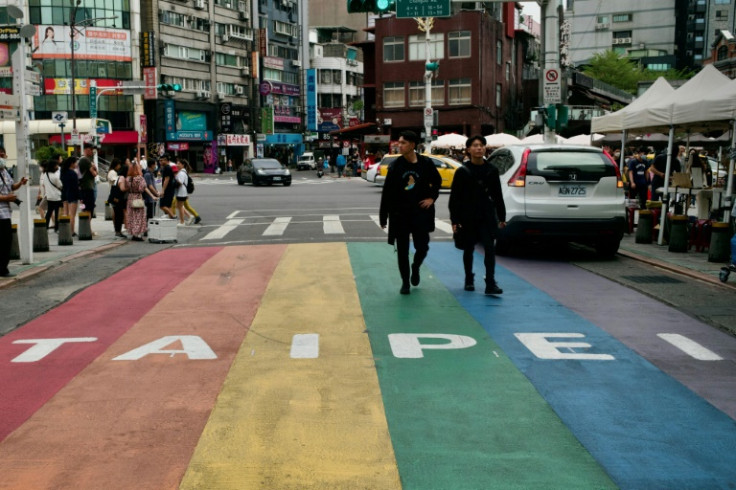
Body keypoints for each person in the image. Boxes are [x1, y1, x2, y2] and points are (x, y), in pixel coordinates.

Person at [379, 130, 442, 295]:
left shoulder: (426, 163)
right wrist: (383, 216)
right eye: (399, 142)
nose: (399, 145)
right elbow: (387, 192)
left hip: (420, 213)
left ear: (412, 145)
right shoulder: (395, 166)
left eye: (403, 143)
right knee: (402, 250)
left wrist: (432, 198)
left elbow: (437, 181)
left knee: (422, 247)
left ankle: (415, 267)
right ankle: (405, 282)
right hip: (400, 215)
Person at [448, 135, 506, 295]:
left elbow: (497, 195)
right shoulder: (462, 172)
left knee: (489, 248)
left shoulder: (492, 170)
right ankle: (469, 279)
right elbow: (455, 198)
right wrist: (454, 220)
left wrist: (502, 217)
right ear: (468, 150)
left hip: (487, 216)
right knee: (468, 249)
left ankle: (490, 282)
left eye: (481, 145)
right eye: (475, 145)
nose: (479, 148)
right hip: (467, 216)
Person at [0, 146, 28, 277]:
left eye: (3, 155)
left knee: (6, 241)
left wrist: (20, 183)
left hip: (5, 213)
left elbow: (11, 186)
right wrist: (7, 198)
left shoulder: (4, 171)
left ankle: (3, 268)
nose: (2, 158)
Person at [120, 162, 147, 241]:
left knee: (131, 216)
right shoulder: (140, 178)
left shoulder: (128, 178)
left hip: (130, 197)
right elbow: (142, 188)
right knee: (139, 216)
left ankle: (132, 233)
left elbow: (126, 187)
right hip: (138, 197)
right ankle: (138, 234)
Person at [173, 158, 201, 224]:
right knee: (179, 206)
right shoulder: (182, 172)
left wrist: (173, 182)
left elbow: (180, 182)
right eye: (177, 163)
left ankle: (182, 221)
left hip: (181, 193)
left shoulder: (182, 173)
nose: (177, 165)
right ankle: (190, 217)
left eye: (179, 163)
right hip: (182, 193)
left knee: (180, 207)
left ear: (183, 165)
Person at [77, 145, 98, 230]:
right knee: (90, 209)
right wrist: (94, 169)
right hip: (88, 188)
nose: (91, 152)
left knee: (84, 208)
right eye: (90, 150)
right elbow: (94, 174)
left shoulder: (81, 160)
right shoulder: (86, 160)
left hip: (82, 188)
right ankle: (87, 228)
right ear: (85, 150)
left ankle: (84, 228)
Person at [60, 156, 80, 237]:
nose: (76, 164)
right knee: (72, 214)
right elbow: (76, 186)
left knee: (66, 213)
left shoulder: (63, 172)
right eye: (75, 163)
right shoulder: (73, 173)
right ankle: (71, 231)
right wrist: (80, 196)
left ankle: (65, 230)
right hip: (72, 195)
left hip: (64, 194)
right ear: (72, 164)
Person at [42, 158, 63, 231]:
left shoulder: (45, 175)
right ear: (53, 166)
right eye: (56, 165)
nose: (57, 167)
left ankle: (45, 226)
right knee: (57, 213)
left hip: (49, 196)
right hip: (57, 197)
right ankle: (56, 228)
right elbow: (60, 186)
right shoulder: (55, 176)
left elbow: (43, 184)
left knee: (49, 212)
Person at [158, 155, 176, 219]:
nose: (160, 162)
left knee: (162, 205)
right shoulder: (165, 168)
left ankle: (173, 216)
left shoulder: (167, 168)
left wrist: (163, 190)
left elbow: (167, 179)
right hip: (169, 189)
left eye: (161, 160)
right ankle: (171, 217)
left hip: (168, 189)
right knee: (168, 205)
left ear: (165, 160)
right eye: (159, 160)